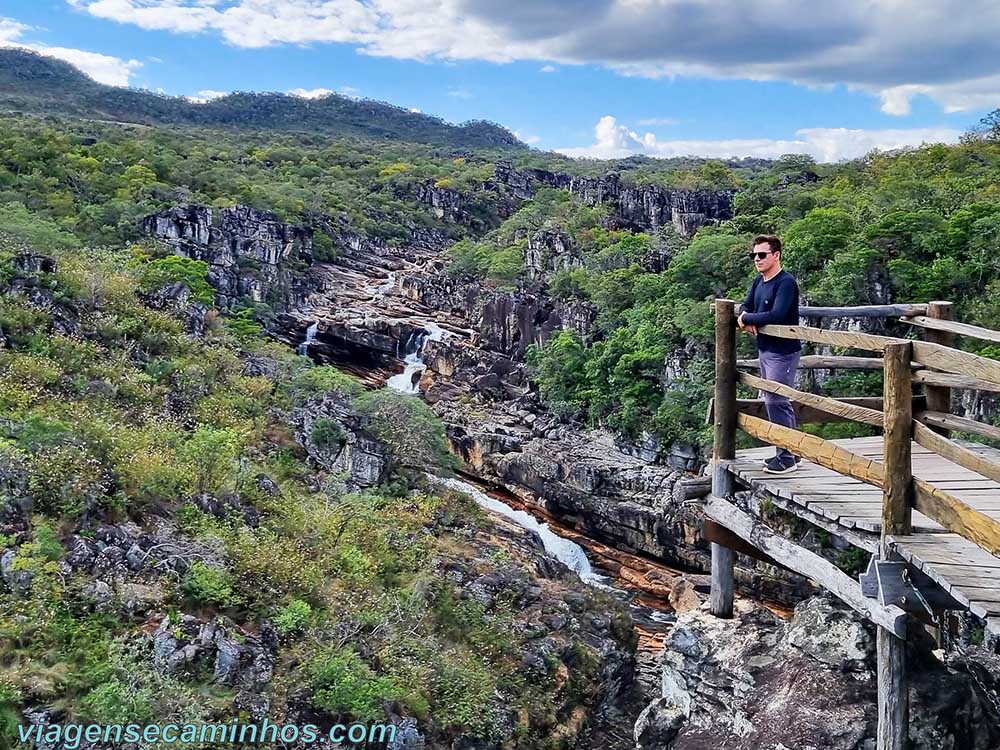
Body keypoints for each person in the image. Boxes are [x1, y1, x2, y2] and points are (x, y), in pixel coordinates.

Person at [737, 234, 802, 474]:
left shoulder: (785, 283)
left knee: (777, 401)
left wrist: (747, 319)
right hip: (766, 349)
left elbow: (778, 314)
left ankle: (785, 457)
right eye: (754, 255)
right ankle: (793, 452)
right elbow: (746, 304)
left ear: (776, 255)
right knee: (775, 400)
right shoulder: (759, 281)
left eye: (762, 254)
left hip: (783, 352)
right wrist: (746, 316)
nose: (757, 259)